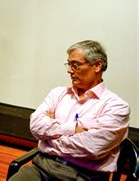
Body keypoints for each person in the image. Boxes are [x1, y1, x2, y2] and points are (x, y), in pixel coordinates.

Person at [9, 40, 130, 181]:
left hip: (83, 175)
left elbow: (92, 148)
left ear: (97, 65)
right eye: (69, 64)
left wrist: (49, 137)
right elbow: (35, 127)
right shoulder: (58, 93)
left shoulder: (116, 106)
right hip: (42, 166)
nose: (69, 70)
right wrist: (73, 129)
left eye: (75, 65)